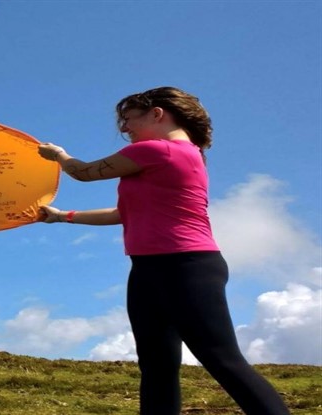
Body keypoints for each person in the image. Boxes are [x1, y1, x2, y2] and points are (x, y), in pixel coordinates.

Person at [37, 87, 289, 415]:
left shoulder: (160, 151)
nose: (124, 129)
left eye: (128, 120)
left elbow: (83, 173)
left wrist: (58, 155)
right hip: (148, 269)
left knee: (221, 359)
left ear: (157, 114)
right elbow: (121, 214)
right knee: (157, 365)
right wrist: (62, 217)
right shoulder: (173, 155)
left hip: (186, 265)